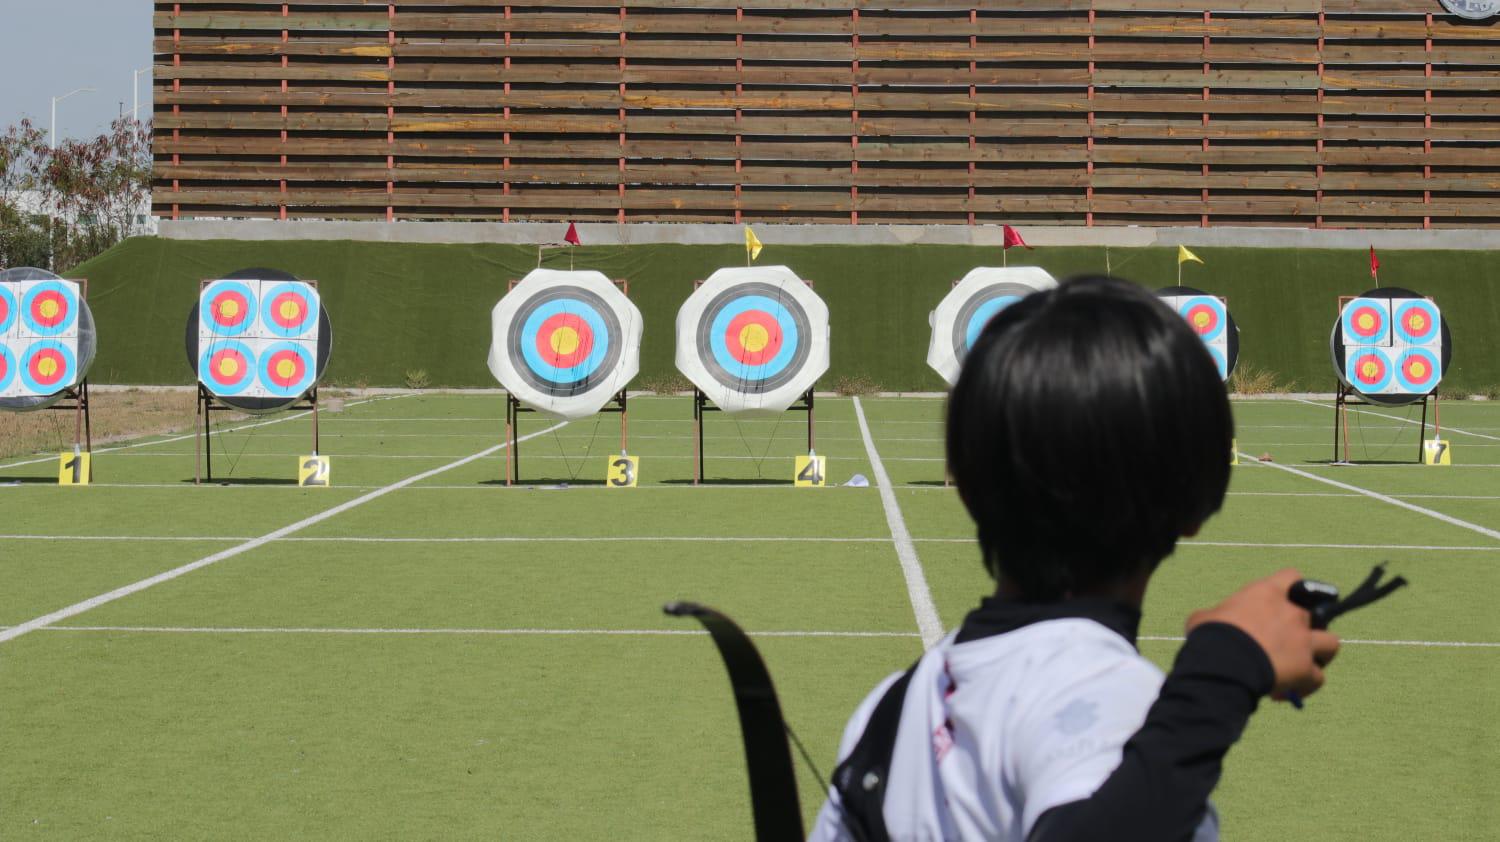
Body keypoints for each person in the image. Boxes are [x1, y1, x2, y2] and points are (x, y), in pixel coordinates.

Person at [810, 275, 1340, 842]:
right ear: (1200, 500)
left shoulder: (892, 708)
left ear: (965, 485)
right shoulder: (1102, 695)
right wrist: (1222, 674)